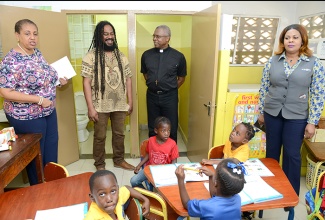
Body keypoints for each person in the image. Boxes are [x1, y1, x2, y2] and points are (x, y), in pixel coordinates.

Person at [257, 24, 325, 209]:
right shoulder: (273, 61)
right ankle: (269, 191)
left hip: (297, 116)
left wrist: (312, 122)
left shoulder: (313, 62)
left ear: (302, 40)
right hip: (272, 113)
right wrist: (260, 112)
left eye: (295, 37)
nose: (291, 41)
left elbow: (318, 94)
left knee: (292, 155)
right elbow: (264, 88)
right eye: (287, 38)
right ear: (282, 41)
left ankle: (290, 197)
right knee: (271, 154)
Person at [0, 19, 68, 185]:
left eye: (35, 33)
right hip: (27, 116)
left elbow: (44, 77)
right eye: (27, 33)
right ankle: (38, 190)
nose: (32, 37)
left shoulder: (36, 53)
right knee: (37, 155)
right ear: (17, 35)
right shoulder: (11, 60)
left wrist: (57, 80)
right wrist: (38, 100)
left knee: (51, 150)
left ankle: (53, 185)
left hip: (48, 110)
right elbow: (5, 91)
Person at [81, 20, 135, 171]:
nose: (109, 37)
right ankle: (99, 164)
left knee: (119, 134)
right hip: (99, 105)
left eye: (111, 34)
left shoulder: (121, 56)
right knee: (100, 137)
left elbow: (128, 78)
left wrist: (130, 101)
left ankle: (119, 160)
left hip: (119, 104)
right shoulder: (90, 57)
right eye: (105, 34)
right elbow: (86, 83)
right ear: (99, 36)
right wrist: (90, 107)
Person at [141, 24, 187, 143]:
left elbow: (181, 78)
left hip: (169, 97)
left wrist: (169, 89)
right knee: (153, 126)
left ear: (167, 38)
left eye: (158, 36)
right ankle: (154, 154)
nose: (154, 39)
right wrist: (155, 85)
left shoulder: (178, 57)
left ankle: (171, 157)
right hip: (152, 96)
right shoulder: (146, 55)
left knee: (171, 126)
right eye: (154, 36)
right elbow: (145, 74)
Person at [175, 158, 245, 220]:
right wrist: (212, 176)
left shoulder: (206, 206)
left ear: (216, 183)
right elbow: (215, 196)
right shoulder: (237, 199)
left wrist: (180, 180)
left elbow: (187, 204)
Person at [130, 116, 179, 189]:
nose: (167, 133)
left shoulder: (172, 144)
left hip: (164, 172)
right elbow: (148, 155)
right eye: (163, 131)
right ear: (156, 131)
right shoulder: (151, 140)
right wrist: (139, 165)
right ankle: (146, 195)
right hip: (150, 169)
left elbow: (174, 162)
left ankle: (152, 190)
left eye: (168, 130)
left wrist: (170, 176)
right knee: (133, 181)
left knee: (162, 189)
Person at [84, 169, 150, 220]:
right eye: (102, 194)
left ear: (117, 190)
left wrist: (145, 199)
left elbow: (127, 188)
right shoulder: (92, 217)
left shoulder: (118, 197)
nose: (109, 199)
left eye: (112, 191)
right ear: (92, 197)